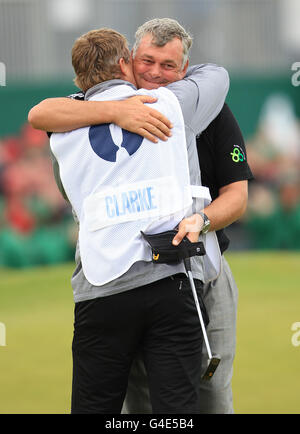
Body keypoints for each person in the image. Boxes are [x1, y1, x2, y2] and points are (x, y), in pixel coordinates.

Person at [28, 18, 252, 414]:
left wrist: (202, 221)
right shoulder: (90, 109)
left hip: (198, 261)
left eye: (169, 66)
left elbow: (237, 196)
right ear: (128, 60)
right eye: (147, 60)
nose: (154, 72)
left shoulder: (203, 105)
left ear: (186, 70)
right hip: (148, 276)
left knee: (211, 392)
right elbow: (41, 112)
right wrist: (118, 111)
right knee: (144, 399)